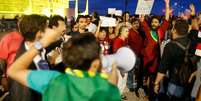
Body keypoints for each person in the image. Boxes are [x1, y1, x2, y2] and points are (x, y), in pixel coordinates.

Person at [7, 29, 121, 101]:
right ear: (95, 64)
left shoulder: (51, 80)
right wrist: (112, 85)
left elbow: (13, 71)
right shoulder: (105, 89)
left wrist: (41, 43)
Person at [6, 14, 48, 101]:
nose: (50, 31)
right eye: (47, 28)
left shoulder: (40, 50)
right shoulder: (22, 68)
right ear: (39, 33)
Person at [154, 19, 195, 100]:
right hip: (189, 83)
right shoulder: (192, 42)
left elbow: (162, 69)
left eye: (172, 28)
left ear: (175, 30)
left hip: (174, 83)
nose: (171, 31)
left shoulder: (170, 46)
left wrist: (156, 83)